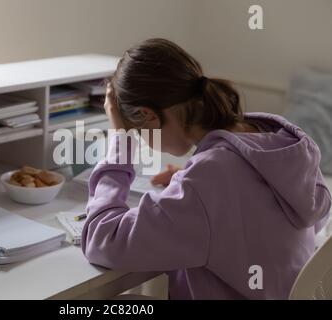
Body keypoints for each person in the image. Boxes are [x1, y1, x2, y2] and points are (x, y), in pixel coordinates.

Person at [81, 38, 331, 299]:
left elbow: (102, 238)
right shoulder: (288, 145)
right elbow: (307, 220)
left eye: (138, 132)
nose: (142, 139)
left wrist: (119, 141)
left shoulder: (207, 180)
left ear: (148, 115)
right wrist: (190, 181)